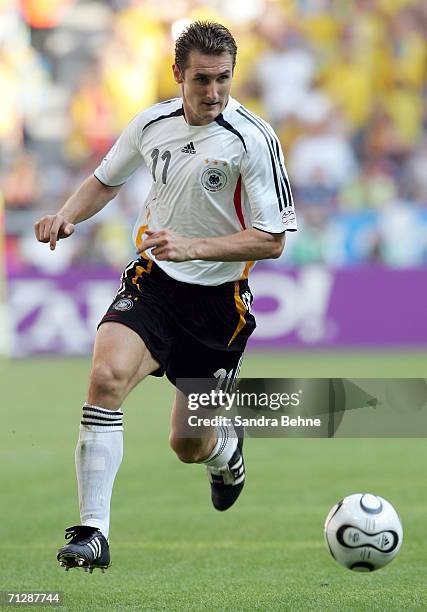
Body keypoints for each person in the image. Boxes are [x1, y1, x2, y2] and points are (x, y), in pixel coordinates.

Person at [34, 21, 297, 573]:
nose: (213, 92)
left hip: (218, 302)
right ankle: (92, 531)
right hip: (152, 283)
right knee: (105, 378)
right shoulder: (151, 123)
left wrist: (194, 247)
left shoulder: (254, 139)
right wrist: (66, 215)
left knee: (188, 446)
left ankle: (226, 449)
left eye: (223, 79)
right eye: (202, 79)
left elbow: (272, 240)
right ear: (178, 74)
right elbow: (106, 179)